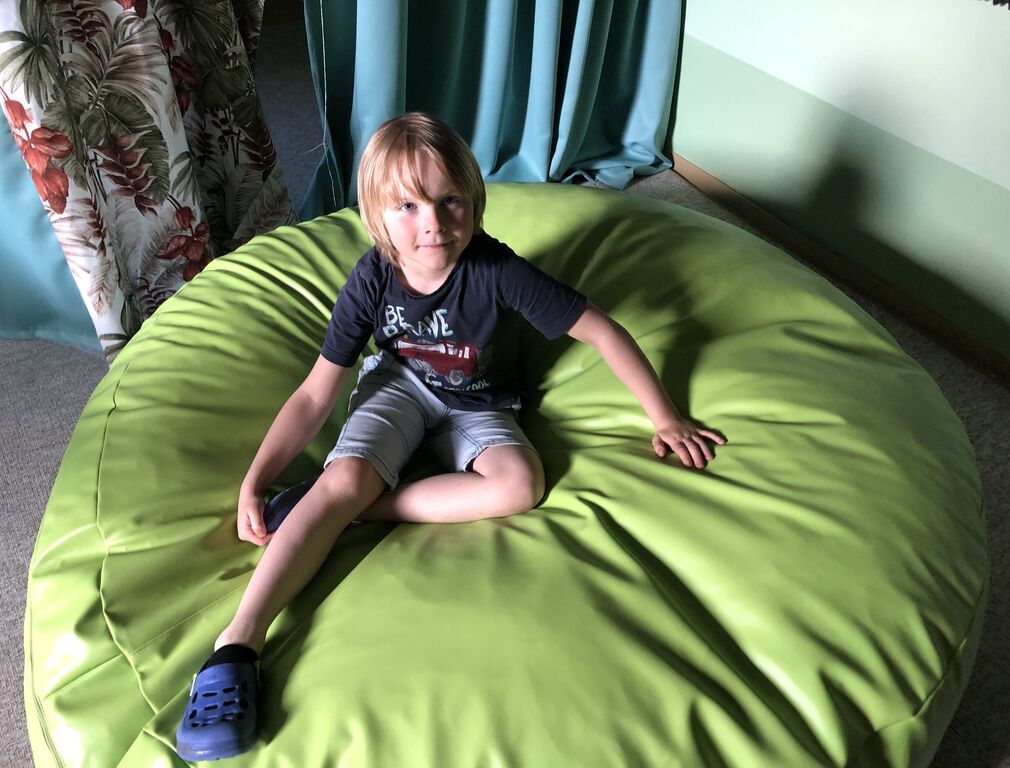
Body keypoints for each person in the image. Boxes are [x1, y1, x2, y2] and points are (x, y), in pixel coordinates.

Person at [175, 112, 725, 761]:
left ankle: (339, 506)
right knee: (346, 475)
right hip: (398, 386)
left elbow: (601, 330)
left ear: (474, 201)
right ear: (377, 217)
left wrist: (665, 417)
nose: (433, 222)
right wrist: (256, 479)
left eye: (449, 200)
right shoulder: (372, 279)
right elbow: (316, 392)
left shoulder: (497, 270)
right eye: (408, 206)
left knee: (520, 484)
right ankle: (236, 647)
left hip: (479, 402)